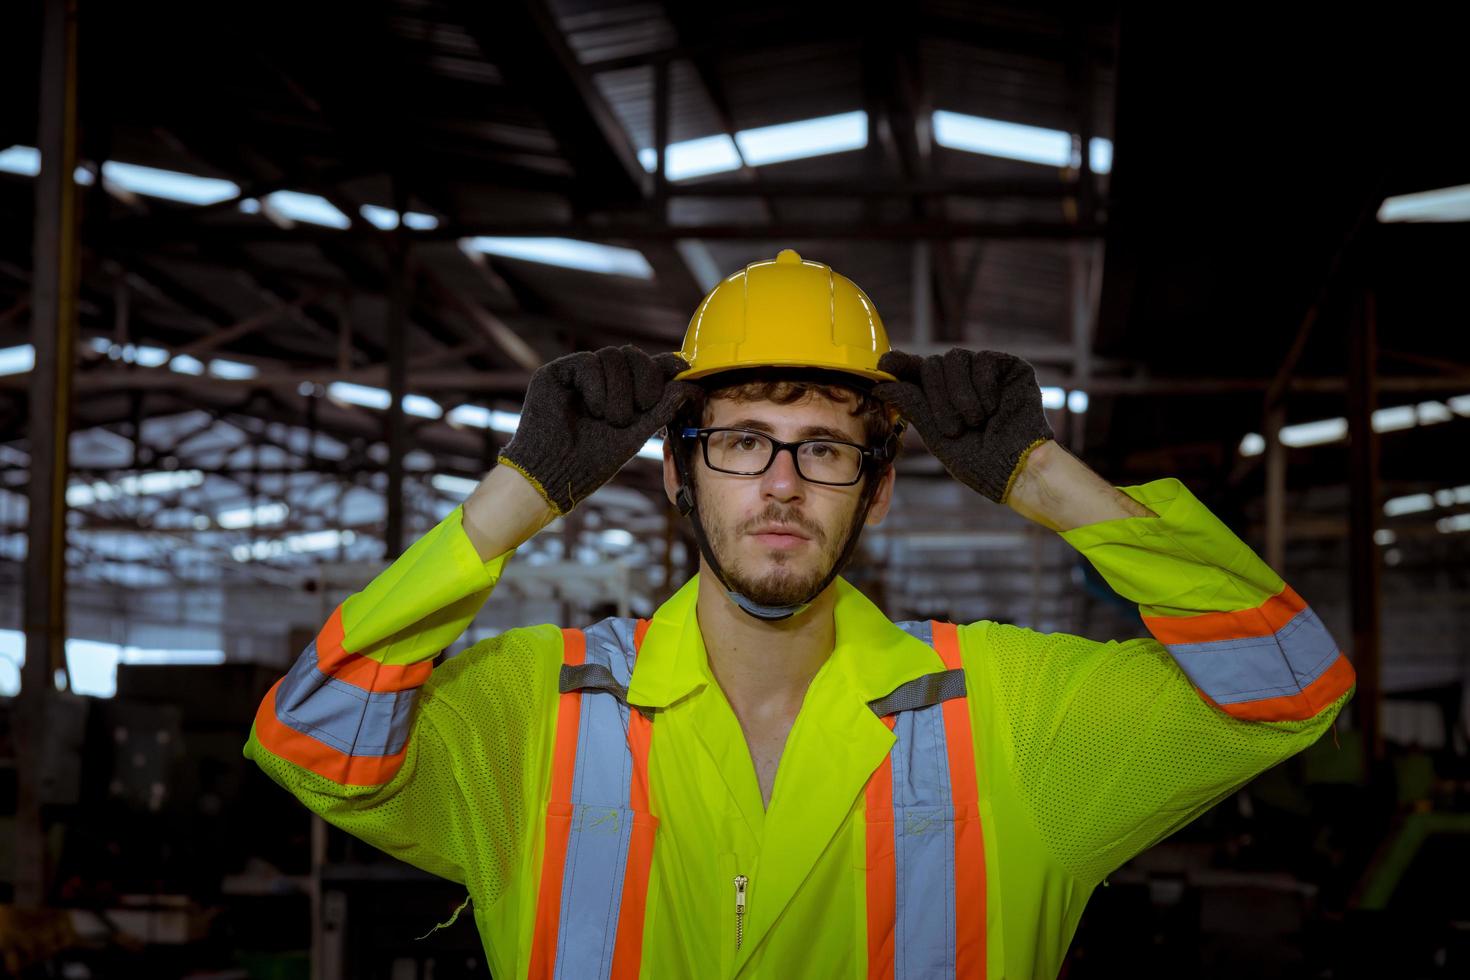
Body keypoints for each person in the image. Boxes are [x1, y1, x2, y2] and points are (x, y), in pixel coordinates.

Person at [245, 249, 1355, 978]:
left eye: (822, 446)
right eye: (740, 441)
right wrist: (514, 496)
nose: (779, 483)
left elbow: (1289, 685)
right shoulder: (544, 707)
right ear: (678, 476)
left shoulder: (1005, 717)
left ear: (875, 485)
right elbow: (317, 740)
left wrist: (1050, 481)